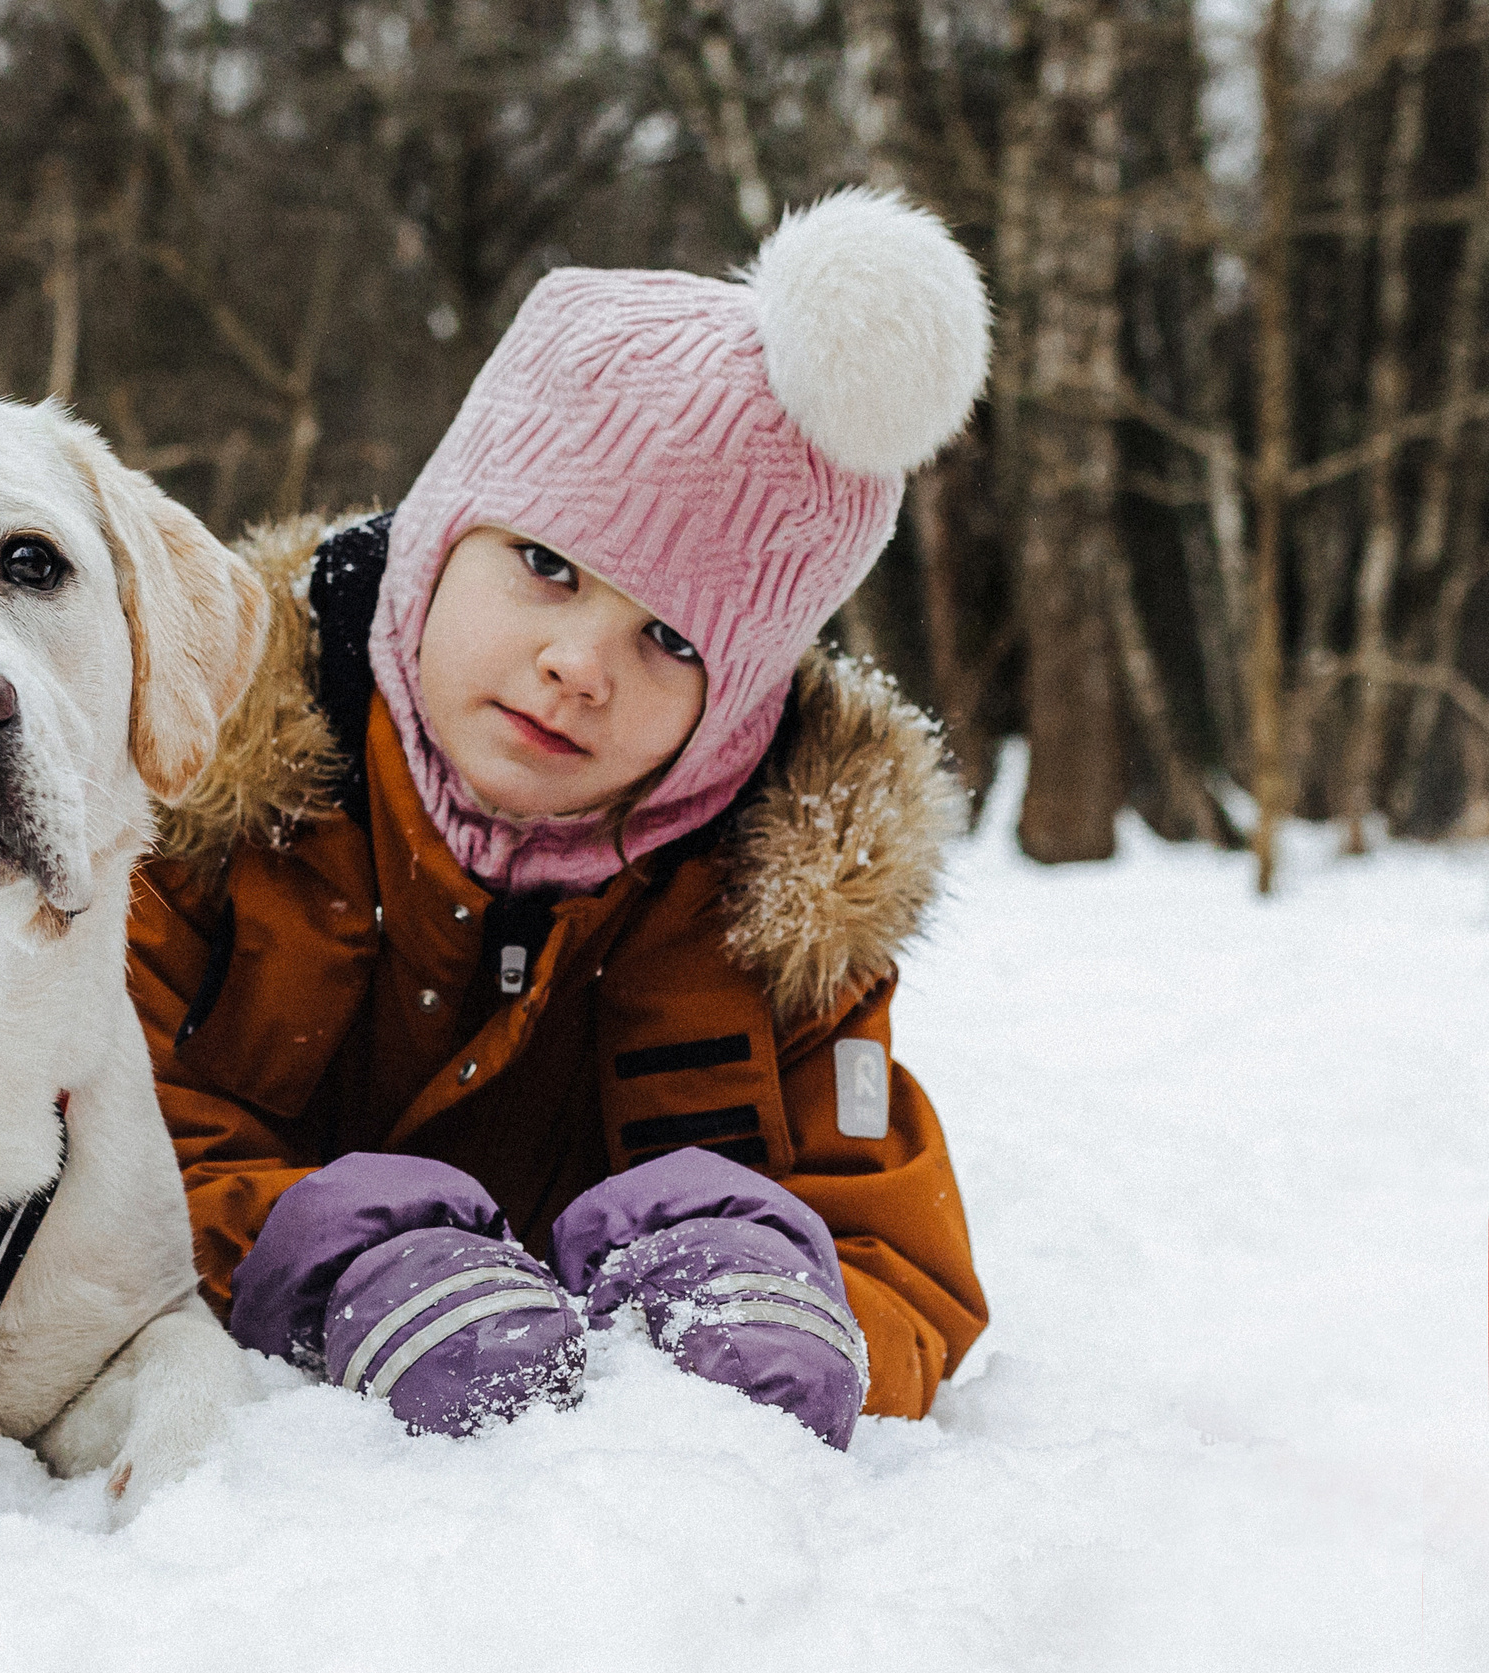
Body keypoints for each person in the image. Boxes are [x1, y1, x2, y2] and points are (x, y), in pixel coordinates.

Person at [127, 188, 993, 1448]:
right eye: (545, 566)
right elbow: (46, 1147)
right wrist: (315, 1255)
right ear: (436, 537)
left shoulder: (773, 910)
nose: (580, 664)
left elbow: (893, 1249)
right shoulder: (189, 798)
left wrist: (802, 1314)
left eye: (669, 638)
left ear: (739, 701)